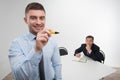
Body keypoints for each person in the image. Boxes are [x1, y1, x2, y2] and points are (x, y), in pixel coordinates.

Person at [9, 2, 62, 80]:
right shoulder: (16, 44)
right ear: (26, 20)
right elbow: (19, 76)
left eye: (42, 18)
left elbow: (57, 65)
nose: (38, 22)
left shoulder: (52, 41)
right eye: (33, 18)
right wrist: (36, 49)